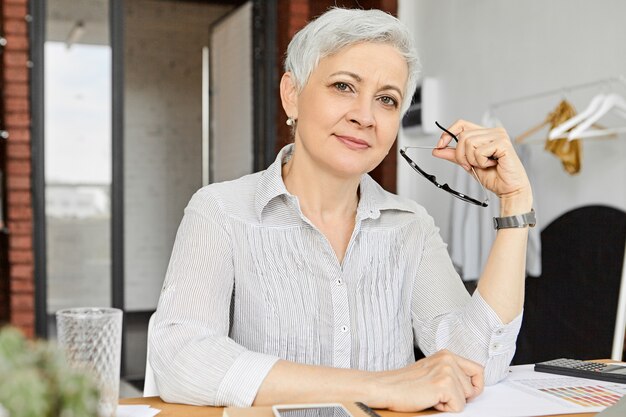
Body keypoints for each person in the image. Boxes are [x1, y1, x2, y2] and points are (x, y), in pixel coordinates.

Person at [150, 7, 533, 413]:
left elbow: (475, 366)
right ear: (291, 95)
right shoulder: (221, 212)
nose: (364, 116)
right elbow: (182, 359)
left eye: (386, 99)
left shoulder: (410, 226)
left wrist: (515, 203)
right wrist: (380, 387)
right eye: (343, 86)